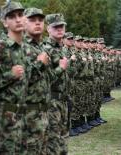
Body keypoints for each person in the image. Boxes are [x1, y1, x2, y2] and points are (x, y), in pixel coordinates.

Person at [0, 2, 27, 154]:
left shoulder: (27, 49)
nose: (18, 19)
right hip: (4, 122)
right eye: (12, 16)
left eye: (21, 15)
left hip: (26, 118)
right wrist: (10, 75)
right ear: (4, 21)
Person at [23, 7, 50, 154]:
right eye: (32, 20)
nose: (38, 23)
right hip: (26, 116)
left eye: (40, 20)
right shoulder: (19, 47)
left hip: (43, 113)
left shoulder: (42, 48)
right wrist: (39, 63)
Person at [44, 13, 69, 155]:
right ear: (48, 29)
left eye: (62, 26)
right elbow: (43, 79)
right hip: (52, 102)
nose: (60, 29)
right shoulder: (46, 49)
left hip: (64, 101)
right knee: (53, 143)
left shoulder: (63, 49)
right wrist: (60, 68)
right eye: (56, 27)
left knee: (63, 141)